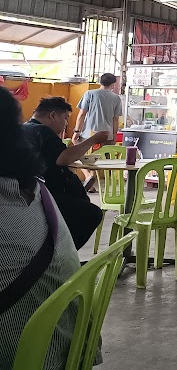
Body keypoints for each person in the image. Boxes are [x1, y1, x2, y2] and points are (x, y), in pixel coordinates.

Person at [0, 87, 99, 368]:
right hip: (67, 342)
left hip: (28, 352)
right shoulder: (26, 185)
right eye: (65, 121)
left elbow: (64, 159)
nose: (66, 125)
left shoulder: (38, 134)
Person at [21, 97, 105, 250]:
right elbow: (63, 158)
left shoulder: (24, 129)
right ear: (52, 115)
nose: (66, 124)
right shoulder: (42, 131)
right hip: (49, 196)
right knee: (91, 214)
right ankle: (61, 253)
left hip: (34, 192)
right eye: (65, 118)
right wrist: (93, 139)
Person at [72, 72, 122, 145]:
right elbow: (115, 119)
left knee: (87, 156)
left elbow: (82, 114)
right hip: (107, 136)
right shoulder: (116, 98)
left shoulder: (89, 94)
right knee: (104, 156)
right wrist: (114, 136)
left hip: (88, 135)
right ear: (113, 84)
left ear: (100, 82)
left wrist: (76, 132)